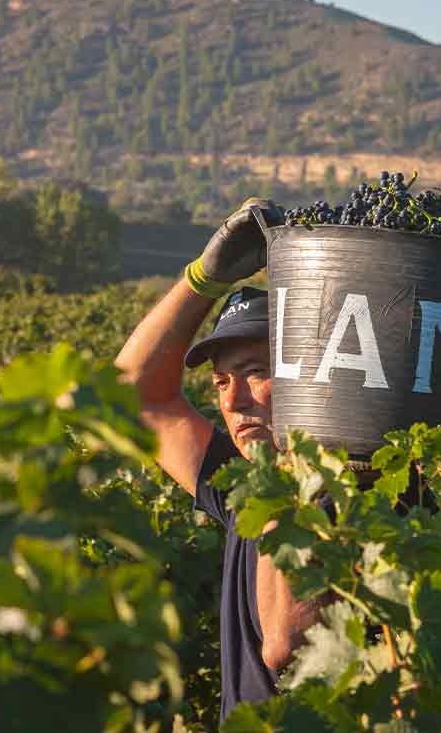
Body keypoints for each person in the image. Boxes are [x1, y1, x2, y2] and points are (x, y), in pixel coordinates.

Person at [114, 199, 327, 725]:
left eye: (255, 372)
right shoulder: (241, 486)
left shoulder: (344, 494)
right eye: (220, 382)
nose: (231, 402)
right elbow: (130, 395)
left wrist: (286, 480)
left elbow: (285, 646)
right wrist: (202, 280)